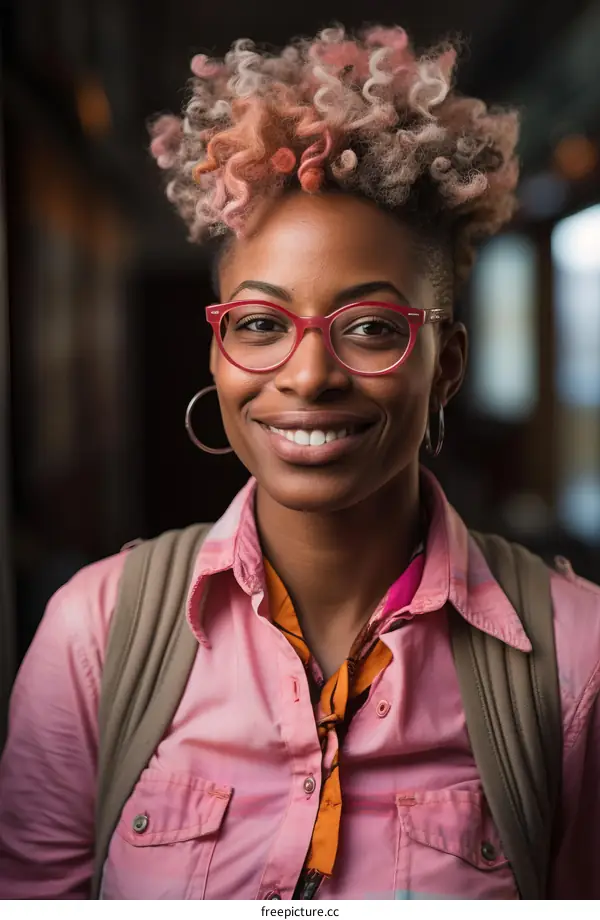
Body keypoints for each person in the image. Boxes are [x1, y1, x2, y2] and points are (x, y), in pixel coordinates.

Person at [1, 24, 599, 901]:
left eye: (370, 329)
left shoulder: (577, 660)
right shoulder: (94, 634)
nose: (310, 374)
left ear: (449, 368)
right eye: (259, 325)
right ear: (218, 356)